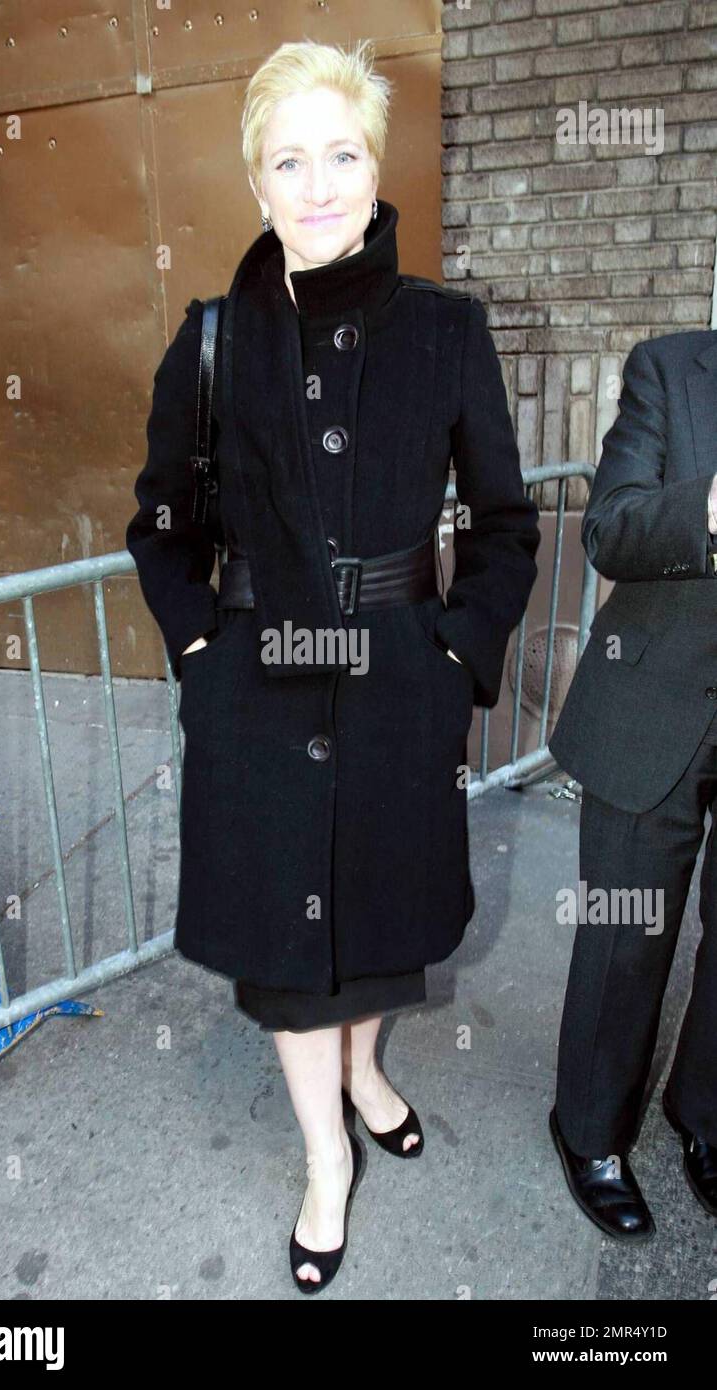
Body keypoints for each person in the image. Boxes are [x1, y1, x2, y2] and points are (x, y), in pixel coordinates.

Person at [126, 37, 540, 1293]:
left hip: (400, 684)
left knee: (379, 930)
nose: (318, 186)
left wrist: (459, 655)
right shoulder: (209, 343)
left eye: (342, 154)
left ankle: (368, 1067)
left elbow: (509, 523)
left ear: (377, 167)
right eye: (288, 161)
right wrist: (202, 649)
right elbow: (157, 521)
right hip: (256, 694)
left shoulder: (449, 333)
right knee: (290, 958)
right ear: (257, 184)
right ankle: (326, 1158)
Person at [548, 326, 717, 1240]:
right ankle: (590, 1134)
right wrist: (711, 508)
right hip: (652, 706)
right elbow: (610, 525)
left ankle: (705, 1116)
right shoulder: (670, 368)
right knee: (626, 939)